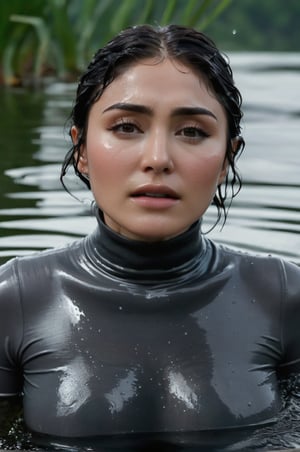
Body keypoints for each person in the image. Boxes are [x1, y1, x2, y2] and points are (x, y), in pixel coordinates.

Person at [0, 24, 300, 452]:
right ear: (81, 149)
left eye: (192, 132)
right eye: (126, 126)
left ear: (225, 159)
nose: (158, 158)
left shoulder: (283, 296)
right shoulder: (14, 302)